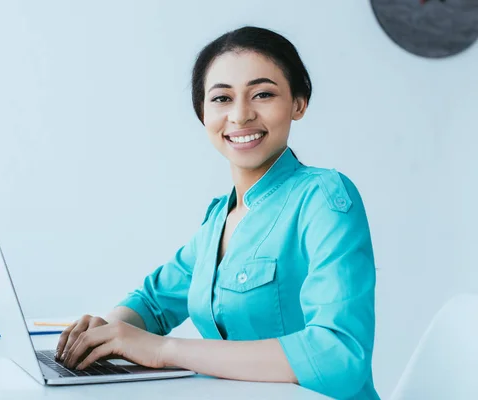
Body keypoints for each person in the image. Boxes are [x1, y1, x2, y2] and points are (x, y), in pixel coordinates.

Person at [56, 26, 379, 400]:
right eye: (222, 98)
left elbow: (339, 357)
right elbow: (153, 301)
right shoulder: (218, 220)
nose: (240, 115)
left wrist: (164, 351)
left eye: (263, 94)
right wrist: (105, 333)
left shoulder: (323, 198)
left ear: (298, 103)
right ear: (203, 114)